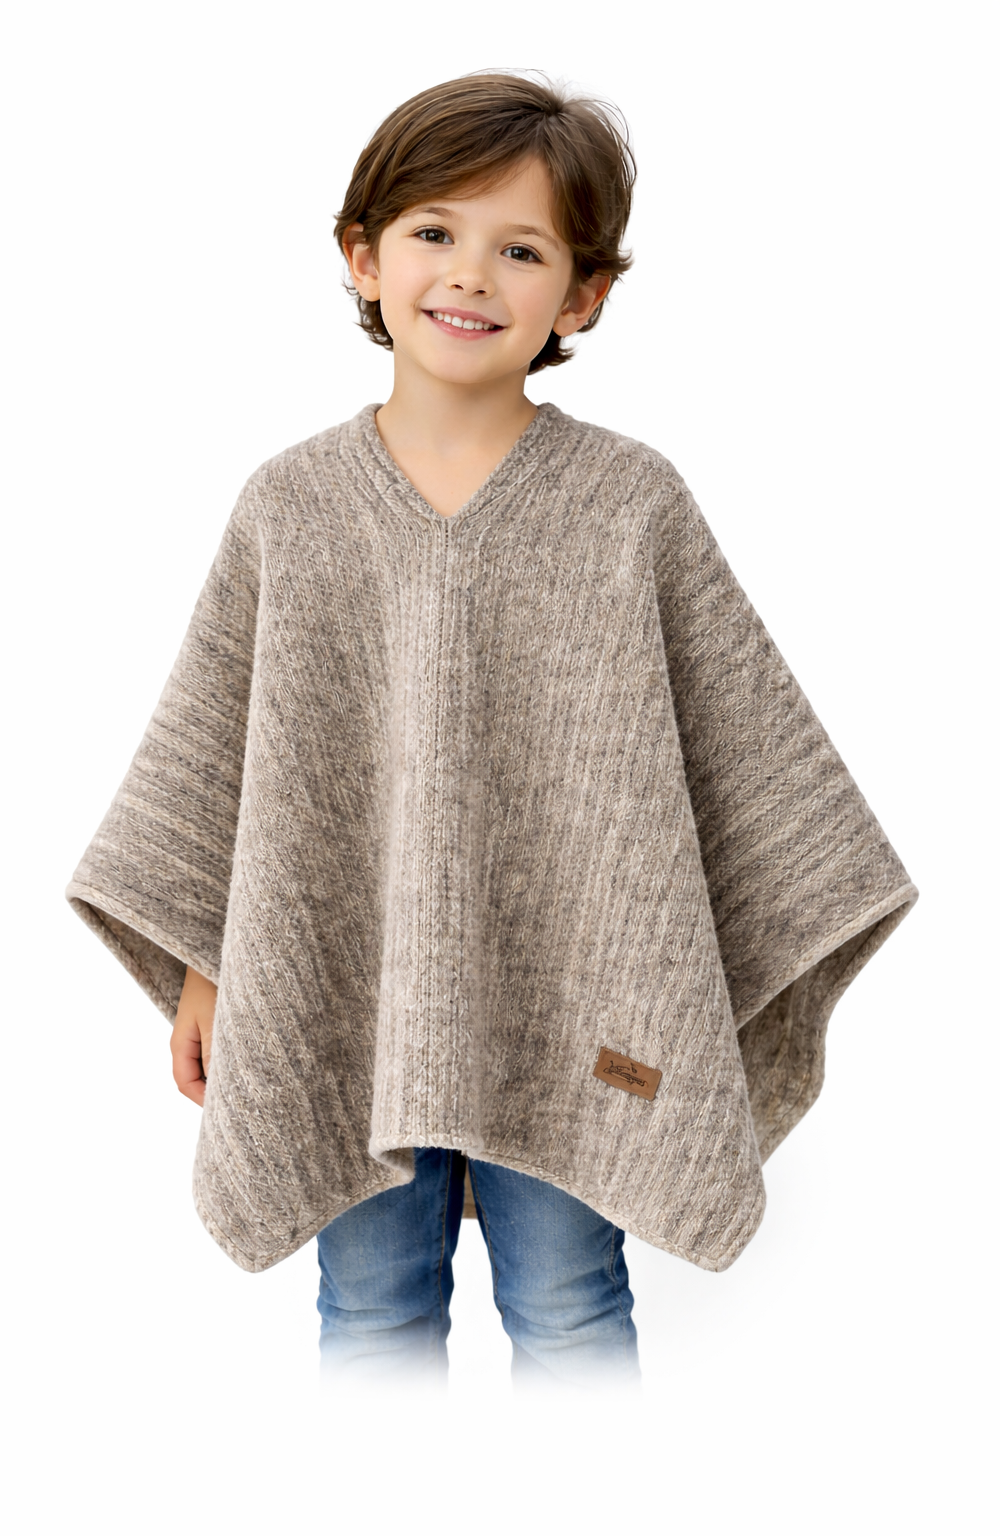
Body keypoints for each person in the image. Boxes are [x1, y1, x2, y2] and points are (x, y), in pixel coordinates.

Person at [66, 71, 916, 1390]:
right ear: (363, 258)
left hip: (580, 1002)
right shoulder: (291, 506)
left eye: (522, 250)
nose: (471, 274)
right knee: (370, 1313)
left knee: (571, 1308)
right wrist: (213, 965)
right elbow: (225, 764)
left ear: (583, 296)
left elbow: (743, 768)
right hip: (349, 1004)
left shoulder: (630, 504)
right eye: (434, 232)